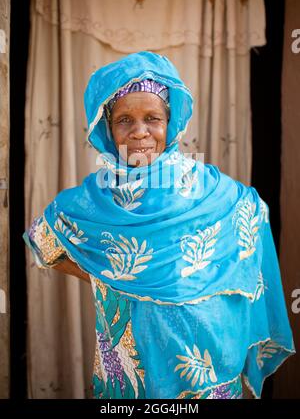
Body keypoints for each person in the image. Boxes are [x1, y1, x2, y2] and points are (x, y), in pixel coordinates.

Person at [23, 51, 295, 399]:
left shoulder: (216, 192)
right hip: (129, 377)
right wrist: (106, 274)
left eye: (152, 118)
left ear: (171, 122)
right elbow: (42, 241)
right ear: (107, 128)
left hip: (211, 376)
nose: (140, 132)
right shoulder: (92, 200)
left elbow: (253, 212)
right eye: (124, 120)